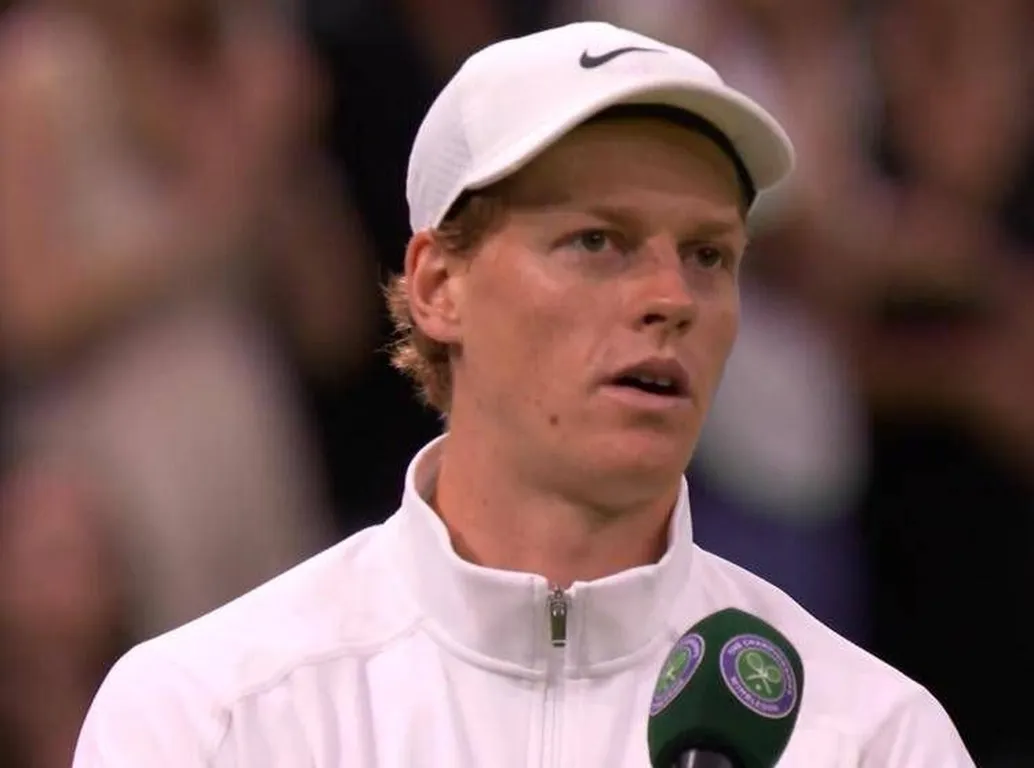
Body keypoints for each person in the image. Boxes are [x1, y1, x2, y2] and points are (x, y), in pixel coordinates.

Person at [71, 21, 975, 766]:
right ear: (439, 286)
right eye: (598, 241)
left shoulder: (873, 738)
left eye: (708, 255)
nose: (671, 298)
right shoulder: (214, 717)